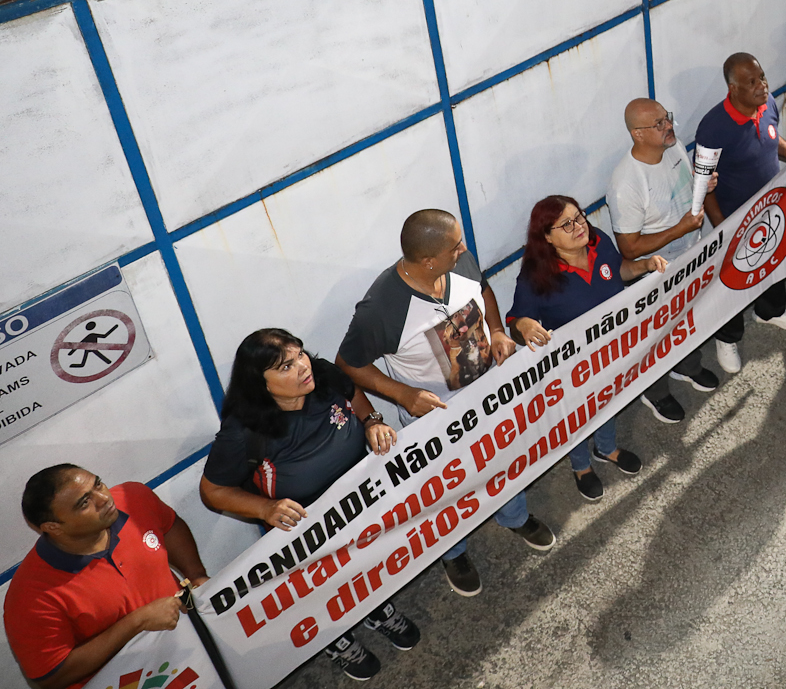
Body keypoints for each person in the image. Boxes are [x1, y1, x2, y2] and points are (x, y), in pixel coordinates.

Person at [336, 209, 553, 595]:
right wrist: (403, 395)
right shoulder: (381, 309)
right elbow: (347, 364)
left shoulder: (458, 261)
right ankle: (453, 551)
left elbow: (483, 289)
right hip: (437, 422)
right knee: (447, 489)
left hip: (490, 398)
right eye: (456, 246)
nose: (464, 250)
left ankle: (515, 516)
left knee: (503, 460)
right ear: (428, 261)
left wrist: (498, 330)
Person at [201, 330, 411, 679]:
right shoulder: (244, 430)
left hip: (358, 502)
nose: (302, 366)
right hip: (304, 531)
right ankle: (335, 636)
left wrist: (371, 420)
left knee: (364, 562)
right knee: (325, 587)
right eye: (286, 366)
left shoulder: (324, 375)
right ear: (262, 384)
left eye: (300, 355)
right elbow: (212, 491)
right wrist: (266, 510)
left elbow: (353, 393)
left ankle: (375, 607)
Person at [510, 197, 666, 498]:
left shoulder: (600, 241)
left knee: (611, 398)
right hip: (575, 366)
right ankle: (581, 466)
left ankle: (607, 449)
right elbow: (517, 321)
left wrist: (645, 266)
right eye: (566, 224)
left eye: (579, 217)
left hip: (615, 348)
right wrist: (524, 326)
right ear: (546, 236)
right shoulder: (536, 273)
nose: (578, 227)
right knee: (578, 414)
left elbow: (618, 271)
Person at [5, 468, 209, 689]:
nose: (104, 498)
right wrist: (136, 623)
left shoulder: (133, 498)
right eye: (84, 503)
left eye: (98, 484)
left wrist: (196, 574)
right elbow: (51, 677)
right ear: (53, 527)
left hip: (192, 657)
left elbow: (168, 525)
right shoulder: (29, 597)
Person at [697, 52, 786, 357]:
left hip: (772, 210)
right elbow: (703, 184)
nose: (763, 86)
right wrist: (722, 228)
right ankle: (728, 337)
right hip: (736, 219)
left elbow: (774, 141)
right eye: (752, 82)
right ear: (733, 89)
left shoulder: (767, 103)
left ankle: (770, 311)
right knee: (733, 280)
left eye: (762, 77)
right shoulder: (713, 128)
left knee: (773, 261)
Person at [609, 97, 719, 400]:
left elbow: (684, 187)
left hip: (691, 254)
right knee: (655, 334)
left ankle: (687, 364)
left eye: (666, 117)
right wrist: (678, 230)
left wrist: (703, 184)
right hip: (656, 271)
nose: (668, 125)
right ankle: (655, 392)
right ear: (638, 134)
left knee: (689, 316)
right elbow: (629, 248)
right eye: (658, 124)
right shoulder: (626, 184)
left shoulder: (673, 147)